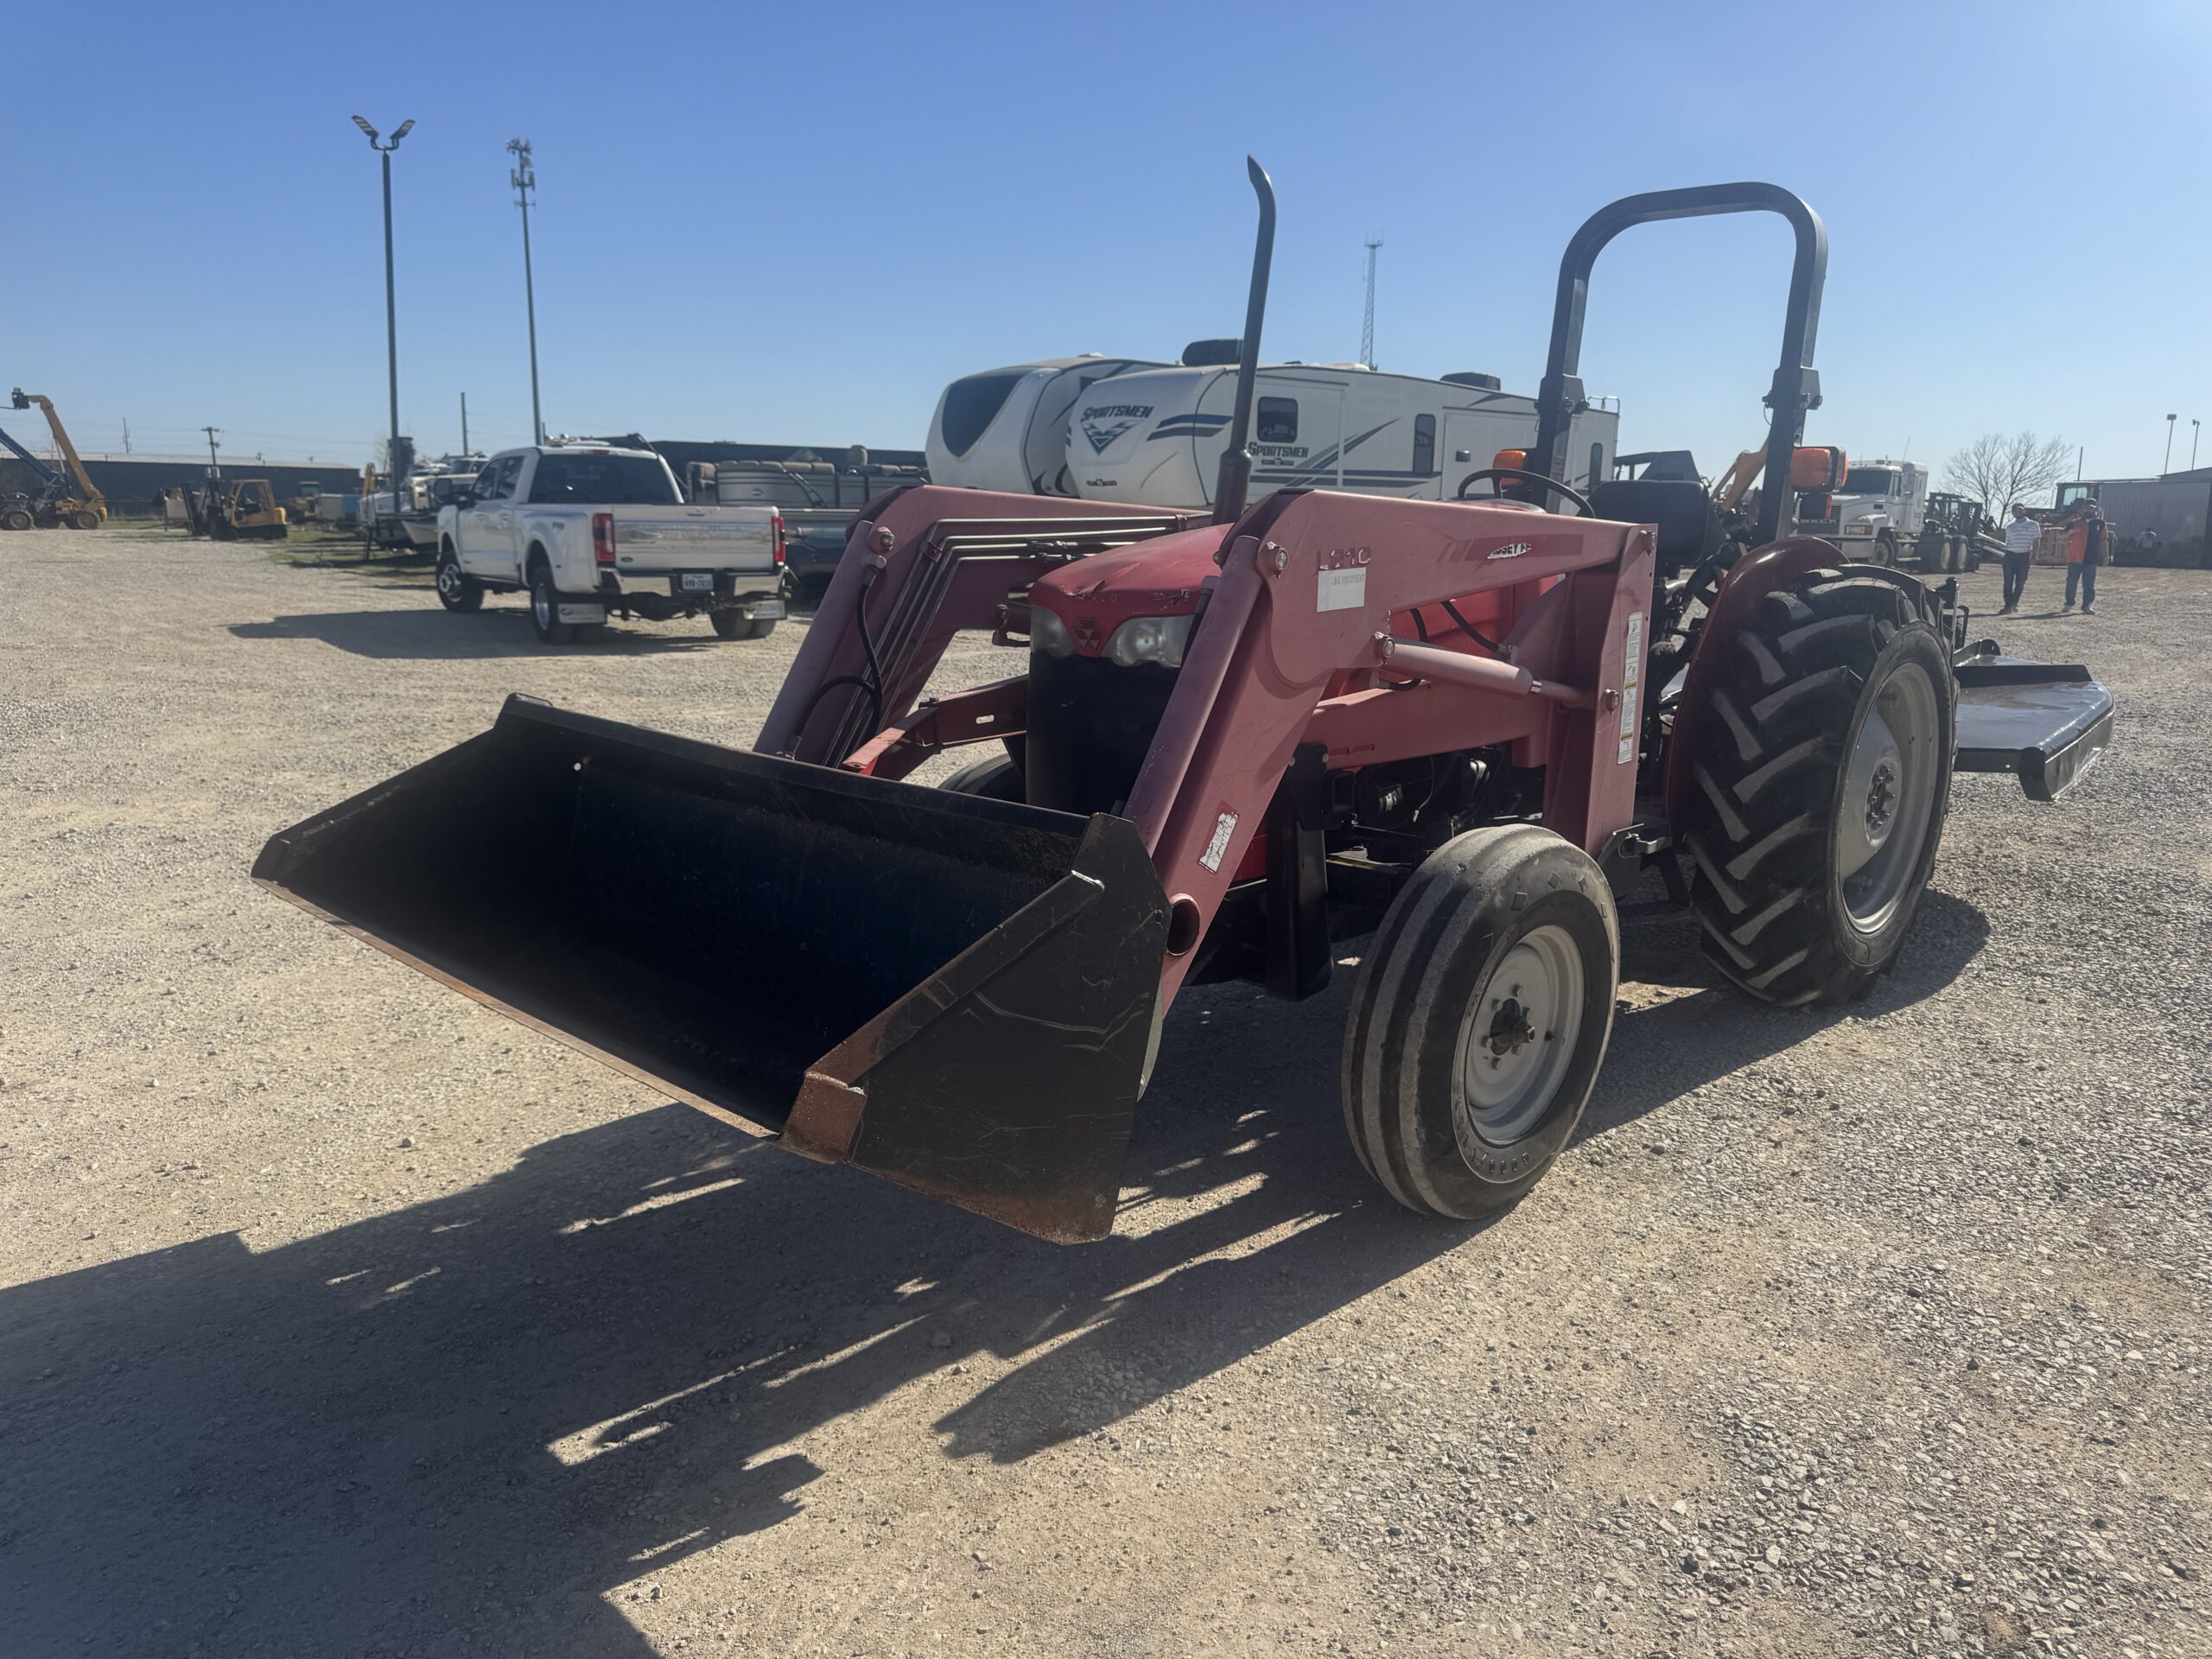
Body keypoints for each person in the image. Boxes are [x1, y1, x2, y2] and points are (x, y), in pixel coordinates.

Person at [2063, 502, 2106, 614]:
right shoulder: (2075, 522)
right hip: (2075, 557)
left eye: (2092, 507)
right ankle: (2069, 604)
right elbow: (2062, 535)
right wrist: (2072, 532)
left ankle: (2087, 605)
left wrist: (2106, 556)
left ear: (2095, 509)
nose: (2089, 509)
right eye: (2087, 507)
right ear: (2083, 508)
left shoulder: (2100, 523)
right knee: (2071, 582)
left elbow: (2103, 540)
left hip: (2091, 558)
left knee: (2089, 583)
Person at [1999, 503, 2039, 614]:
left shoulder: (2033, 525)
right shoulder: (2010, 526)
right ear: (2012, 512)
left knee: (2020, 582)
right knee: (2007, 582)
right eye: (2015, 510)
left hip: (2024, 556)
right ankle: (2008, 606)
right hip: (2010, 556)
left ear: (2024, 511)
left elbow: (2036, 541)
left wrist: (2034, 555)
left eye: (2020, 510)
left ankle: (2014, 604)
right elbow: (2008, 542)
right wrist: (2003, 547)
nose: (2018, 512)